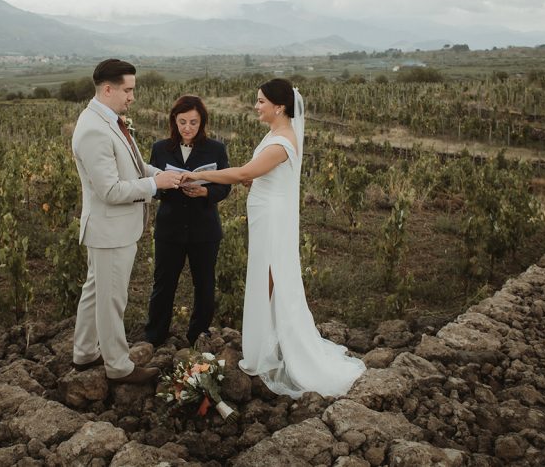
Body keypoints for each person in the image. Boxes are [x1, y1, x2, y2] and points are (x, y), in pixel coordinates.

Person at [184, 78, 366, 398]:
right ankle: (269, 340)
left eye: (260, 101)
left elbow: (244, 173)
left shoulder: (282, 142)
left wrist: (199, 173)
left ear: (278, 106)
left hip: (272, 219)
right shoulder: (275, 134)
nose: (256, 107)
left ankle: (273, 346)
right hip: (264, 213)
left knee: (272, 276)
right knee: (268, 276)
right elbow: (260, 177)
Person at [71, 59, 183, 384]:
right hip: (109, 230)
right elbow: (109, 190)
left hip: (113, 228)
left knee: (95, 292)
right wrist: (155, 186)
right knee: (112, 299)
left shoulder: (111, 121)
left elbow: (133, 166)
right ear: (108, 89)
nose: (132, 96)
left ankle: (84, 353)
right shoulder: (93, 129)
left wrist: (163, 175)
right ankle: (119, 367)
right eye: (128, 90)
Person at [144, 95, 231, 348]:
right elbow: (152, 186)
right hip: (169, 228)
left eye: (193, 122)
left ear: (202, 122)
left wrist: (205, 192)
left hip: (204, 229)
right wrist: (166, 186)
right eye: (182, 122)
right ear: (174, 121)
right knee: (163, 284)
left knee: (204, 284)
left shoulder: (216, 149)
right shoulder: (160, 148)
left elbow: (224, 187)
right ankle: (154, 337)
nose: (188, 128)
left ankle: (198, 336)